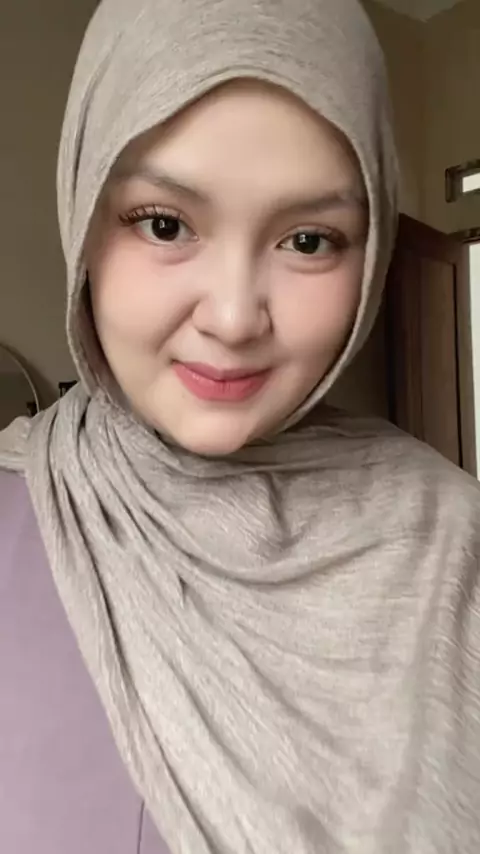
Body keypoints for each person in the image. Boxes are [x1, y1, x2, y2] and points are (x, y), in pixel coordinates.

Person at [0, 0, 479, 851]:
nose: (232, 317)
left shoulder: (456, 546)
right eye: (164, 224)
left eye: (309, 240)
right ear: (84, 214)